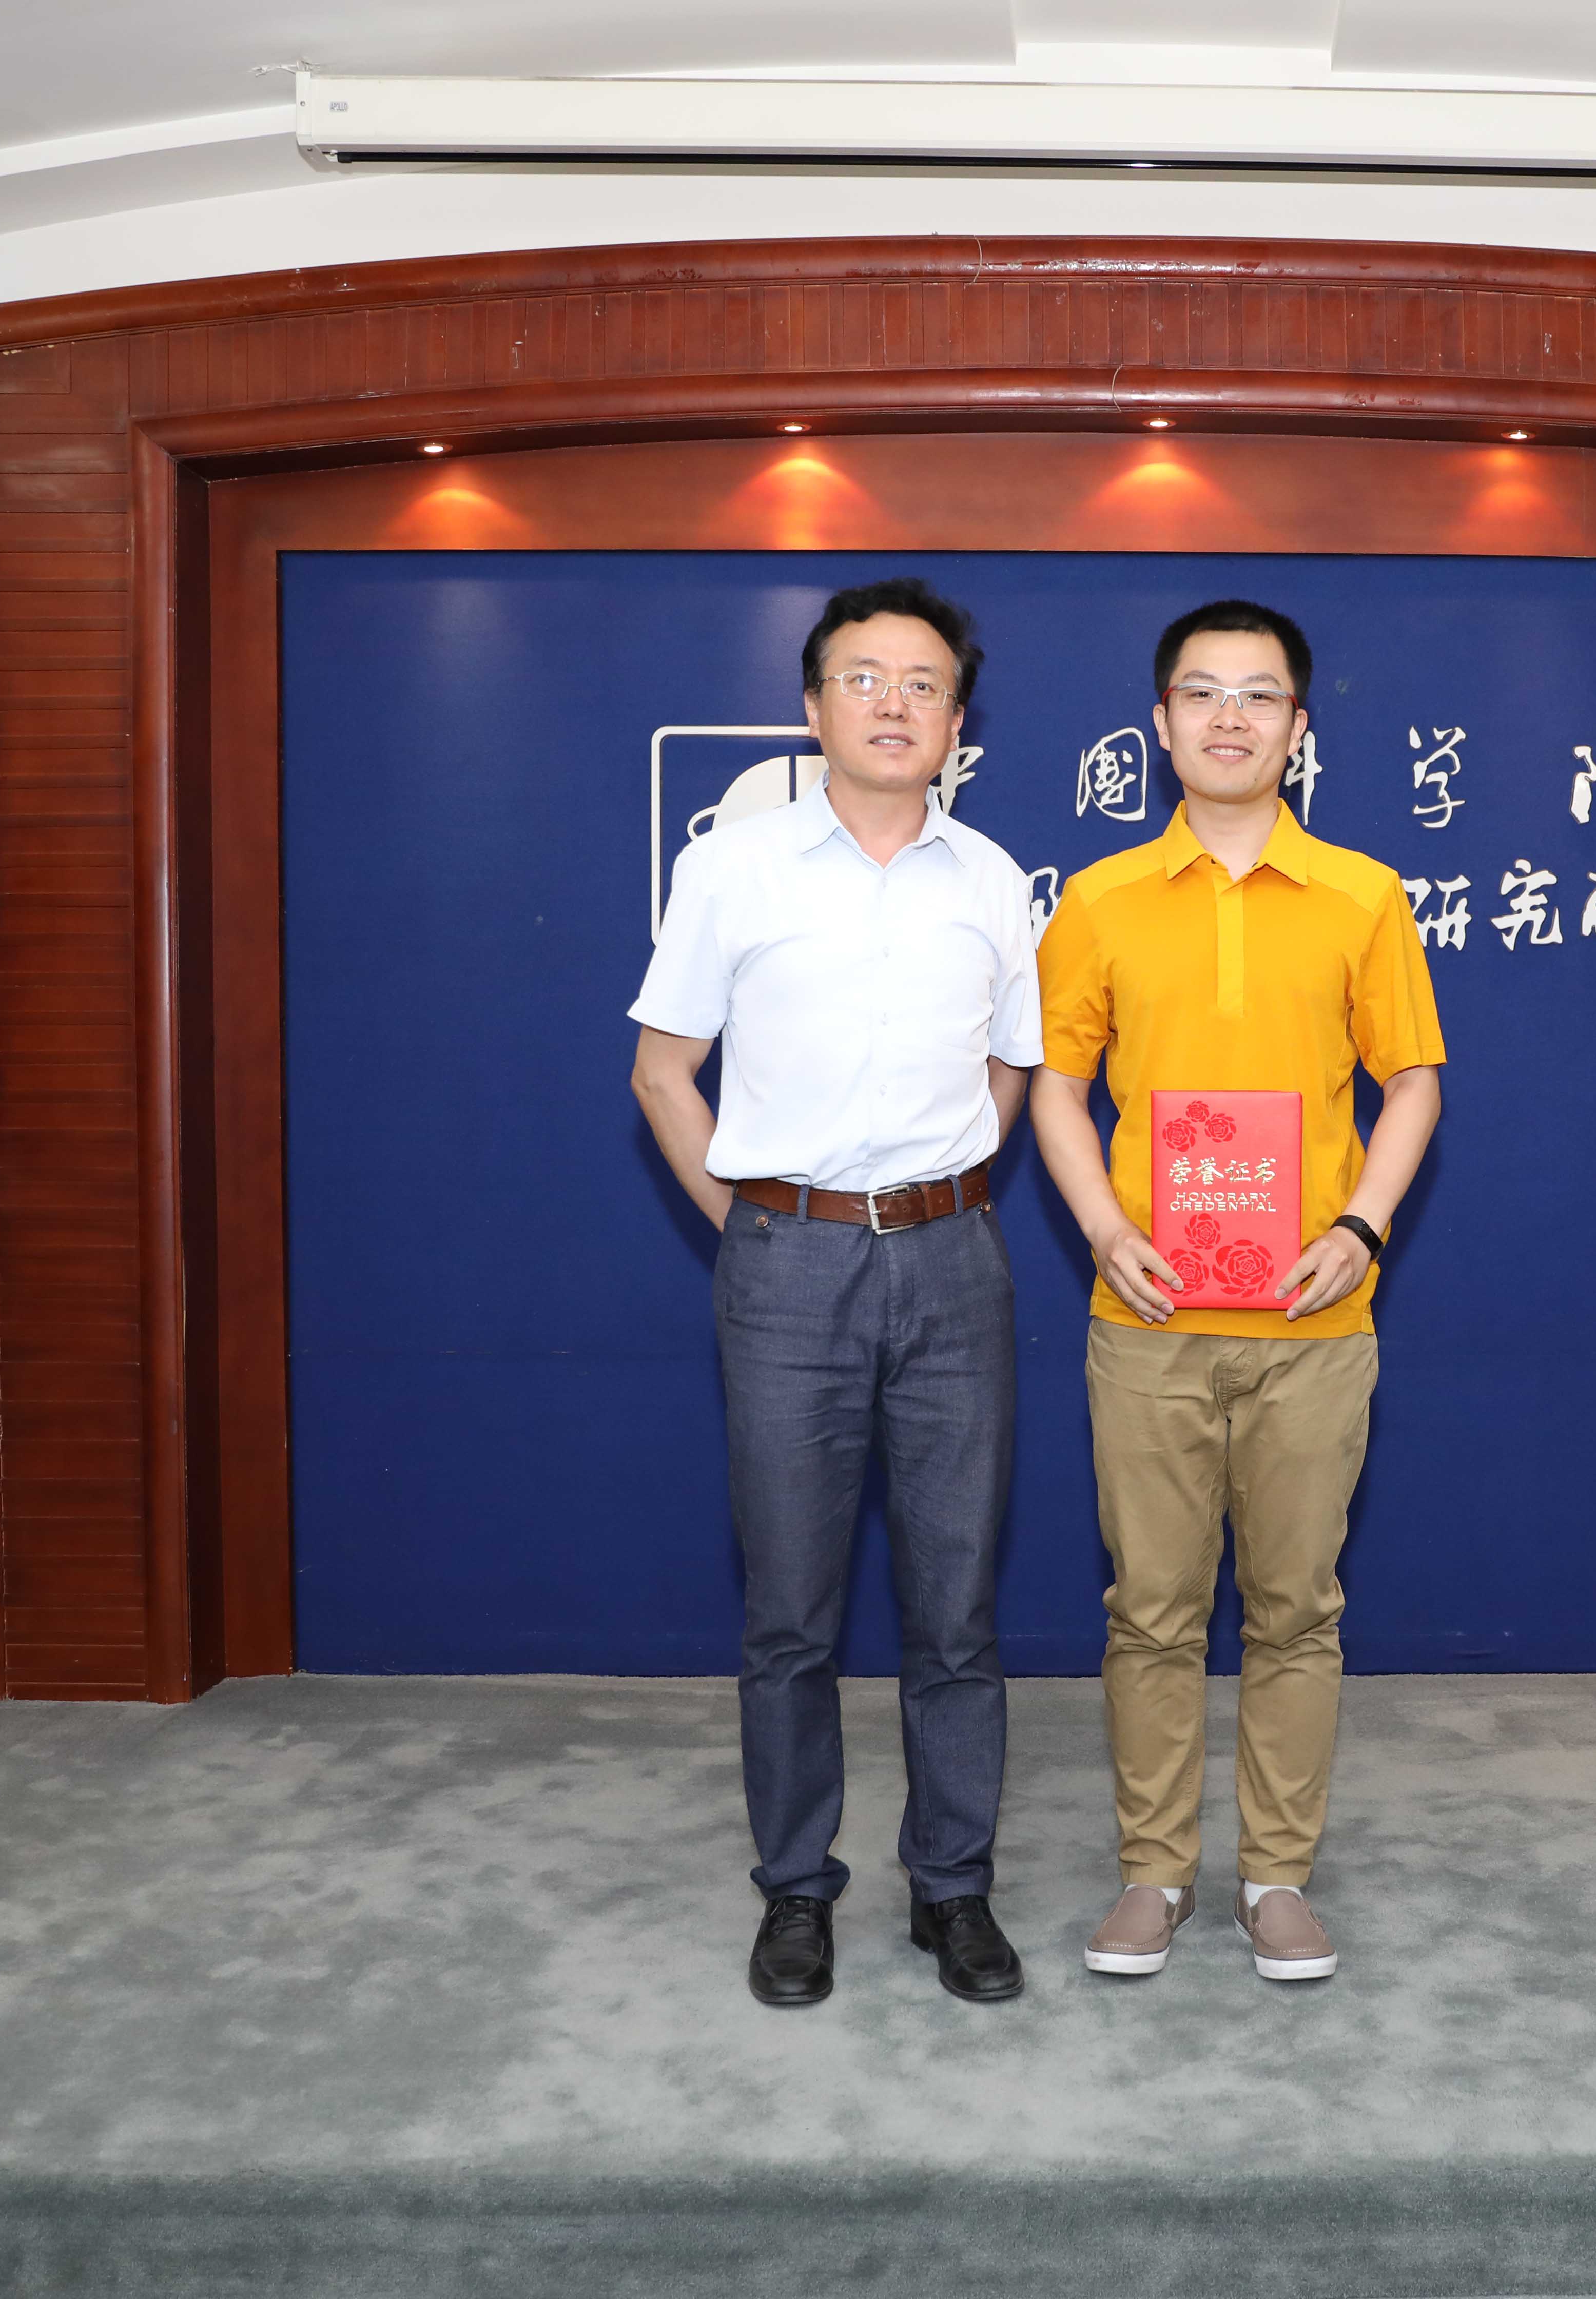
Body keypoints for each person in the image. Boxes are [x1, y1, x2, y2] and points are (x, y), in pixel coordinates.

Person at [629, 577, 1043, 2009]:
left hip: (953, 1263)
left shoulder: (991, 879)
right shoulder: (735, 871)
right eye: (864, 677)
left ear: (957, 721)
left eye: (923, 683)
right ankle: (797, 1890)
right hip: (787, 1264)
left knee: (957, 1608)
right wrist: (756, 1228)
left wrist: (940, 1185)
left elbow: (1011, 1067)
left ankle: (954, 1889)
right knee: (791, 1614)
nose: (893, 703)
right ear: (813, 708)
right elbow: (663, 1073)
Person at [1030, 599, 1447, 1983]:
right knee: (1149, 1613)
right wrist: (1103, 1229)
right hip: (1146, 1323)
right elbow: (1056, 1087)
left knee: (1296, 1612)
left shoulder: (1363, 895)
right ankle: (1153, 1875)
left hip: (1314, 1328)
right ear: (1160, 724)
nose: (1229, 717)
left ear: (1298, 728)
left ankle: (1277, 1879)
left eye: (1259, 695)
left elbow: (1413, 1082)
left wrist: (1364, 1226)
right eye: (1202, 693)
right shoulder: (1098, 900)